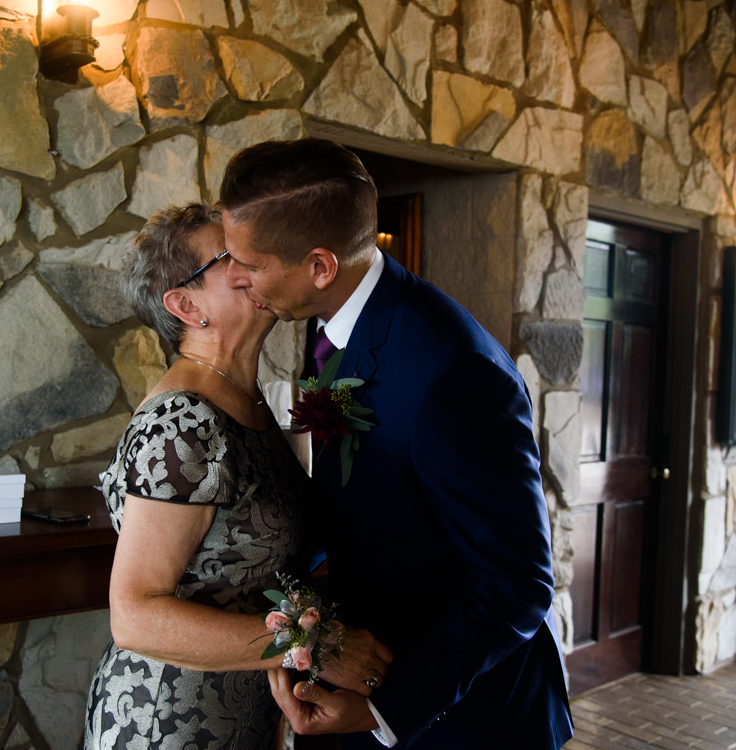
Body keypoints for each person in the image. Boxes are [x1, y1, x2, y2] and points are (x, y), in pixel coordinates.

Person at [219, 140, 574, 750]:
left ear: (321, 266)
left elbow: (516, 585)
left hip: (460, 718)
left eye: (246, 263)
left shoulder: (453, 372)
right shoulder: (334, 325)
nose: (232, 278)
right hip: (367, 670)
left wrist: (387, 710)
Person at [83, 203, 391, 750]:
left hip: (240, 716)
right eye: (230, 257)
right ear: (184, 303)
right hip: (170, 722)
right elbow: (134, 615)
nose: (252, 263)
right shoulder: (179, 422)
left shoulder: (247, 400)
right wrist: (317, 645)